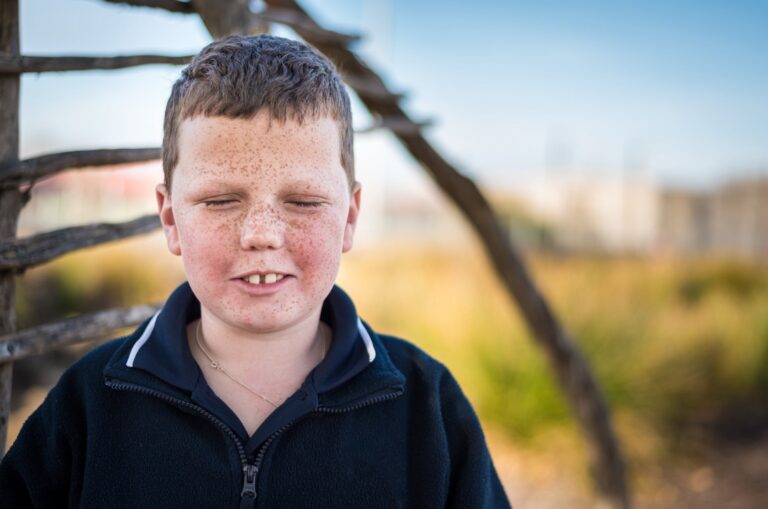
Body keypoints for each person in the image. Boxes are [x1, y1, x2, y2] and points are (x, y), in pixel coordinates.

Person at [0, 35, 512, 509]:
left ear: (350, 216)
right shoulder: (91, 403)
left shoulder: (427, 410)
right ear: (171, 217)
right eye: (221, 200)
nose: (261, 233)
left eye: (304, 201)